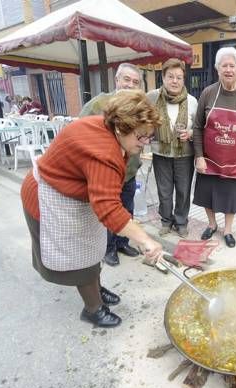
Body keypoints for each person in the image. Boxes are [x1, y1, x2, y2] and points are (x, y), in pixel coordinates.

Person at [20, 90, 164, 328]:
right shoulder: (104, 151)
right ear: (122, 127)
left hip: (72, 192)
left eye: (148, 137)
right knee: (80, 254)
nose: (144, 143)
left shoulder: (109, 128)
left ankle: (95, 289)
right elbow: (108, 208)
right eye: (141, 137)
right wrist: (145, 240)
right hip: (50, 196)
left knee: (93, 244)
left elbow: (106, 201)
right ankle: (93, 308)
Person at [193, 47, 236, 248]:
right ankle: (212, 224)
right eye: (224, 65)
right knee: (207, 194)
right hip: (210, 159)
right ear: (217, 69)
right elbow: (198, 127)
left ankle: (228, 230)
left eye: (232, 65)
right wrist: (199, 156)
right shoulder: (208, 93)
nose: (228, 69)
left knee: (231, 197)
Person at [80, 63, 145, 266]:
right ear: (117, 80)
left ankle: (122, 243)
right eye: (126, 79)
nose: (130, 85)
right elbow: (80, 131)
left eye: (135, 82)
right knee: (110, 211)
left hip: (129, 171)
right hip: (107, 173)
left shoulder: (138, 107)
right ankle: (108, 249)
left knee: (127, 209)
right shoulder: (99, 104)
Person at [147, 58, 198, 238]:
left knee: (183, 190)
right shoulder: (152, 97)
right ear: (163, 77)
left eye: (179, 77)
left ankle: (181, 222)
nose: (174, 81)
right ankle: (166, 221)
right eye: (170, 77)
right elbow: (145, 121)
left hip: (184, 154)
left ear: (184, 79)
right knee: (164, 190)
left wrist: (190, 134)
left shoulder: (192, 101)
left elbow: (199, 127)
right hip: (161, 153)